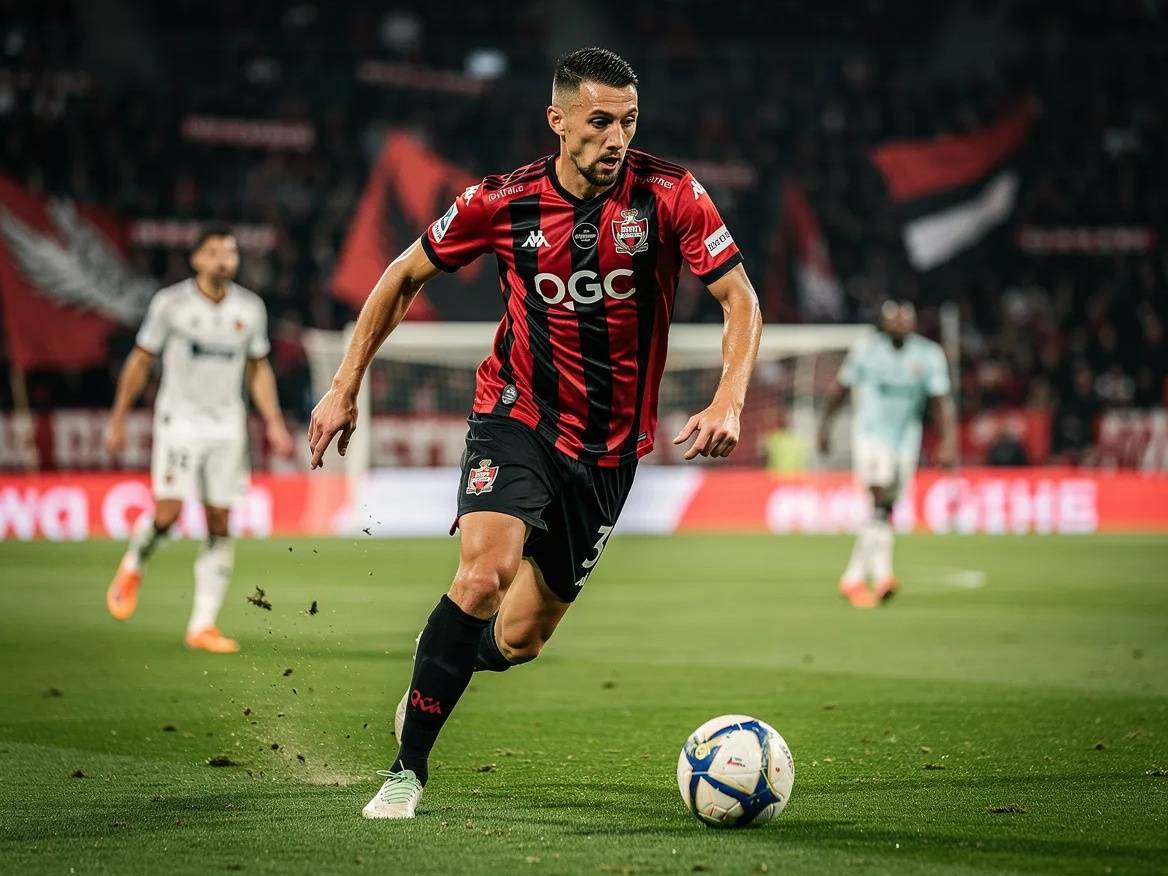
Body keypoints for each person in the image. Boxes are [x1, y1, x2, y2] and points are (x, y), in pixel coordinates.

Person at [308, 47, 762, 819]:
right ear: (557, 120)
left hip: (611, 450)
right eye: (599, 121)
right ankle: (406, 771)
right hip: (516, 417)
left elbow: (740, 299)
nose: (616, 138)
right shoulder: (501, 200)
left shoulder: (670, 195)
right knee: (484, 575)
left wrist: (729, 399)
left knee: (519, 639)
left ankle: (442, 666)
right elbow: (401, 275)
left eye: (628, 122)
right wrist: (345, 384)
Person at [104, 225, 294, 651]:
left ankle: (202, 624)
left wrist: (274, 422)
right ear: (195, 260)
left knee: (220, 522)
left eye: (229, 252)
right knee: (168, 515)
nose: (223, 259)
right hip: (180, 423)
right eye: (213, 252)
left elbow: (258, 368)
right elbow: (140, 361)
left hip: (227, 426)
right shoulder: (170, 304)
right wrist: (118, 419)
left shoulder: (250, 308)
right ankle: (134, 562)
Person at [818, 300, 955, 608]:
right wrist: (825, 427)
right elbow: (840, 388)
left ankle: (854, 578)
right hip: (870, 434)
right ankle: (881, 574)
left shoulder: (929, 354)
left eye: (905, 318)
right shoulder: (866, 350)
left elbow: (941, 401)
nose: (900, 323)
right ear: (883, 322)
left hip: (906, 439)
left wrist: (947, 442)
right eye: (893, 319)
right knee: (879, 498)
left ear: (914, 322)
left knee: (885, 508)